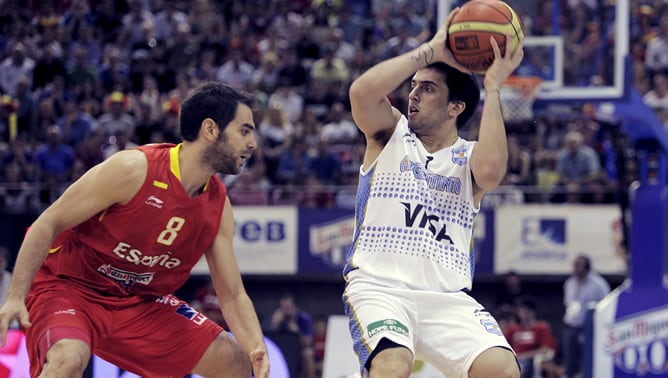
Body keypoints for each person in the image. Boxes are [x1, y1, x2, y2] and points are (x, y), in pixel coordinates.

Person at [0, 82, 270, 378]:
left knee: (235, 362)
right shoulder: (133, 169)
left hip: (139, 302)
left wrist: (257, 348)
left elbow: (231, 295)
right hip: (70, 288)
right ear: (210, 129)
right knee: (66, 360)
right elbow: (47, 222)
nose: (253, 143)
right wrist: (15, 296)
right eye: (244, 130)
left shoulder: (218, 207)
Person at [342, 7, 525, 378]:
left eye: (427, 89)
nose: (413, 95)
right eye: (414, 87)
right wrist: (430, 52)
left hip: (447, 299)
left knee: (502, 369)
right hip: (380, 289)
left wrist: (492, 86)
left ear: (455, 107)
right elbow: (362, 92)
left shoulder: (469, 157)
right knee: (393, 366)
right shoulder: (391, 134)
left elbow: (491, 172)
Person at [562, 254, 610, 378]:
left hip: (588, 328)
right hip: (571, 326)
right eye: (574, 265)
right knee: (570, 361)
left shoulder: (599, 284)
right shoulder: (569, 283)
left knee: (587, 360)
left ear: (586, 267)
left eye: (578, 266)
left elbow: (606, 306)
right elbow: (568, 304)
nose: (575, 268)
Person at [268, 293, 315, 378]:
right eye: (283, 308)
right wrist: (275, 324)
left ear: (295, 307)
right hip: (280, 350)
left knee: (308, 353)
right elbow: (269, 341)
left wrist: (297, 332)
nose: (285, 311)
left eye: (288, 307)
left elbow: (308, 342)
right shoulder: (275, 319)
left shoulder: (303, 318)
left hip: (298, 350)